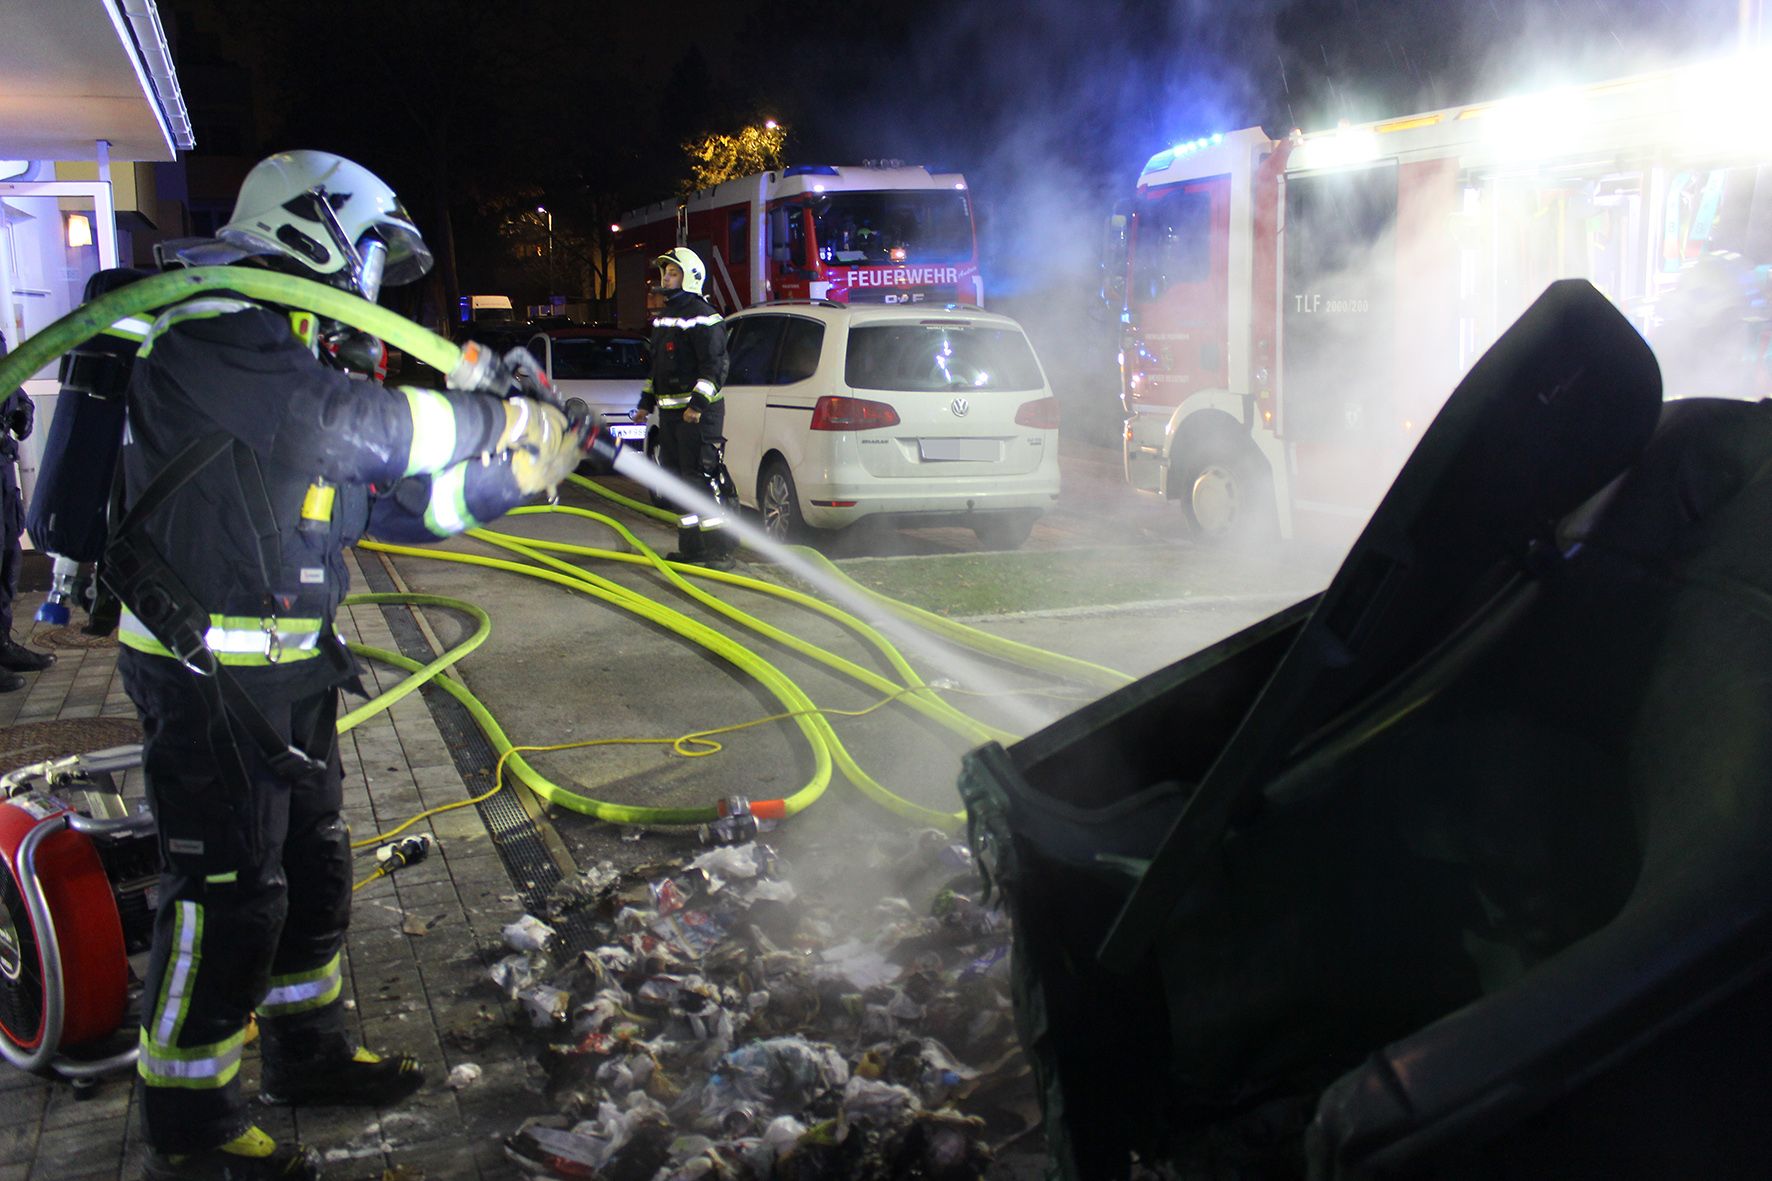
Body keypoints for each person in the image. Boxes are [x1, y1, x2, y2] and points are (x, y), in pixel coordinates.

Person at [114, 150, 601, 1181]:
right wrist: (503, 415)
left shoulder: (282, 358)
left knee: (314, 867)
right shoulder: (213, 334)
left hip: (289, 675)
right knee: (228, 891)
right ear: (316, 230)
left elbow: (383, 505)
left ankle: (308, 1053)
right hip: (206, 683)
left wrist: (516, 474)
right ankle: (188, 1117)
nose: (372, 286)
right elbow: (365, 431)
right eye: (370, 255)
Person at [632, 247, 736, 568]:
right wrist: (645, 404)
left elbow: (715, 366)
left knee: (700, 478)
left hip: (698, 415)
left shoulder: (704, 317)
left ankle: (721, 550)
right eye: (665, 272)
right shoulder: (664, 317)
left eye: (673, 272)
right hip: (672, 415)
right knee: (677, 480)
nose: (666, 277)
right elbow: (658, 370)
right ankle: (692, 549)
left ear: (690, 277)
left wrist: (698, 404)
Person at [0, 331, 55, 690]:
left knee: (7, 557)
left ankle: (1, 645)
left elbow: (12, 383)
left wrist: (23, 411)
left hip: (1, 465)